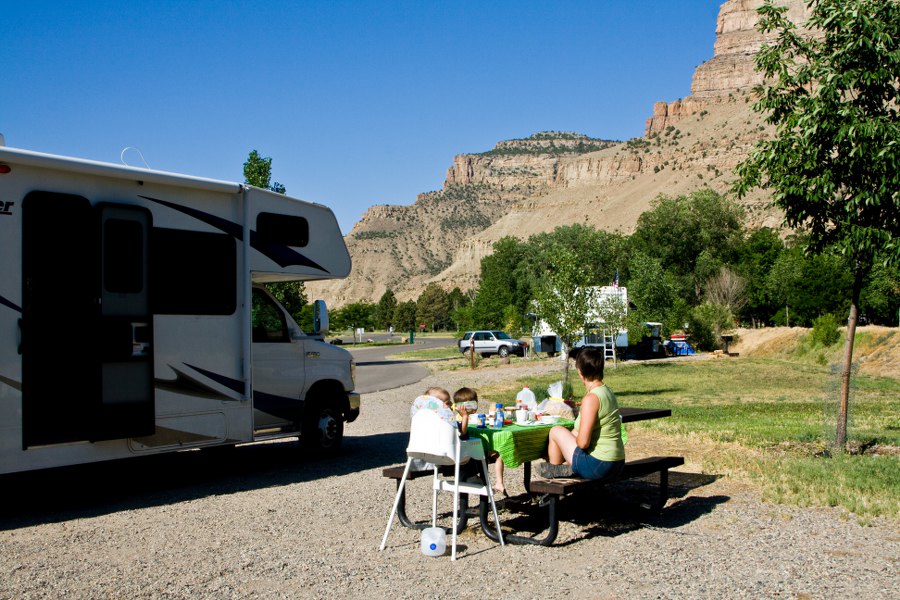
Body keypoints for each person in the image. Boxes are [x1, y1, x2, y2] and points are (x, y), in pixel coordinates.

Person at [544, 346, 625, 480]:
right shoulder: (607, 392)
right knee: (560, 436)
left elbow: (582, 443)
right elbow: (576, 432)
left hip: (600, 464)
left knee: (555, 430)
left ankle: (554, 477)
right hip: (617, 461)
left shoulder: (591, 399)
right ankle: (557, 469)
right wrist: (562, 446)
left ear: (580, 372)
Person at [453, 387, 507, 497]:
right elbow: (462, 433)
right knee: (492, 454)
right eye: (467, 406)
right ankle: (474, 477)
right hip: (467, 452)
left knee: (500, 454)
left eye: (473, 404)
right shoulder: (459, 418)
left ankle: (499, 482)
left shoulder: (476, 417)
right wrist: (465, 417)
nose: (471, 408)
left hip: (477, 448)